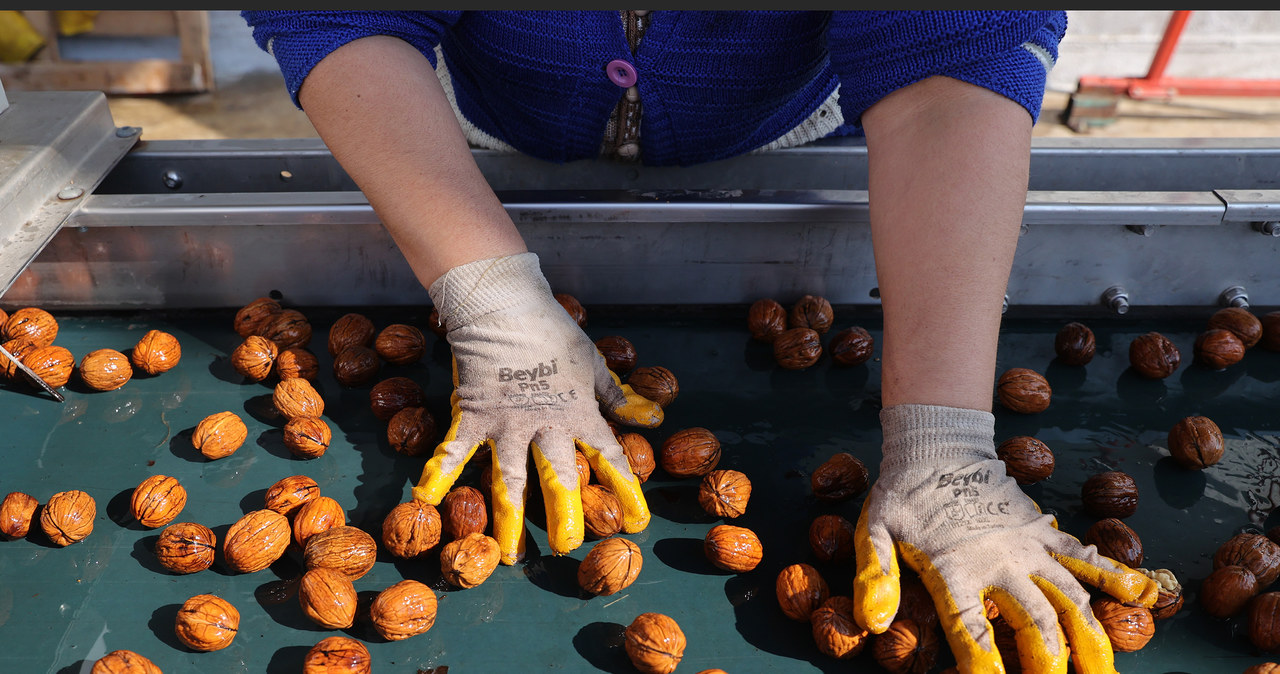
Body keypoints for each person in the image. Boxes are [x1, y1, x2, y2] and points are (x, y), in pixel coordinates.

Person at [242, 10, 1157, 673]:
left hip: (806, 145)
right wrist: (486, 291)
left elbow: (953, 46)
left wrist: (944, 438)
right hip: (454, 143)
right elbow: (339, 13)